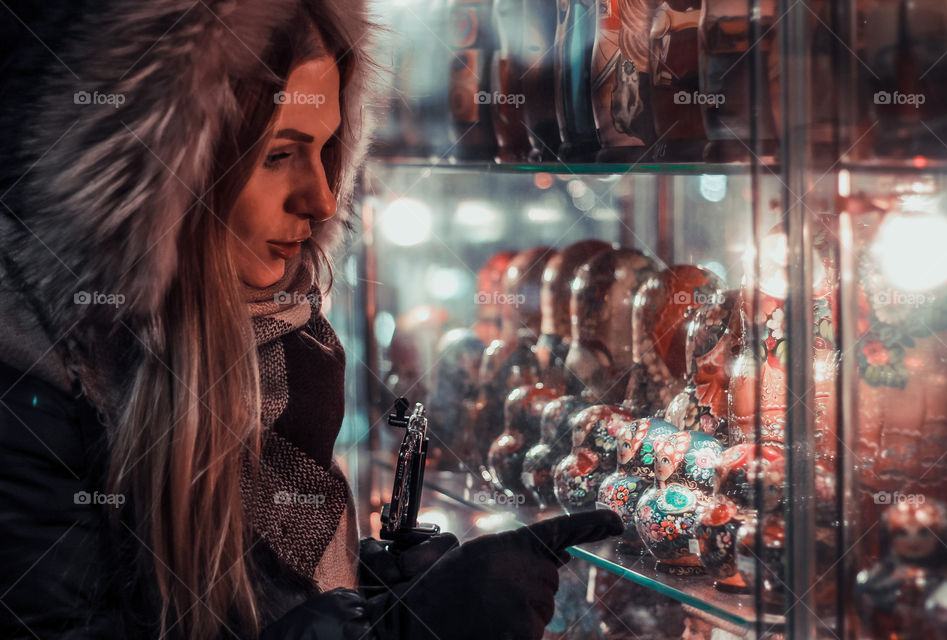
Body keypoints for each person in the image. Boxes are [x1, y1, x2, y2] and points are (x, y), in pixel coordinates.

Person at [0, 1, 624, 639]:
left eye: (327, 149)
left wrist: (377, 586)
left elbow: (234, 600)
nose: (322, 197)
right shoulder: (38, 393)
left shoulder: (274, 348)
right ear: (171, 175)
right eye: (279, 155)